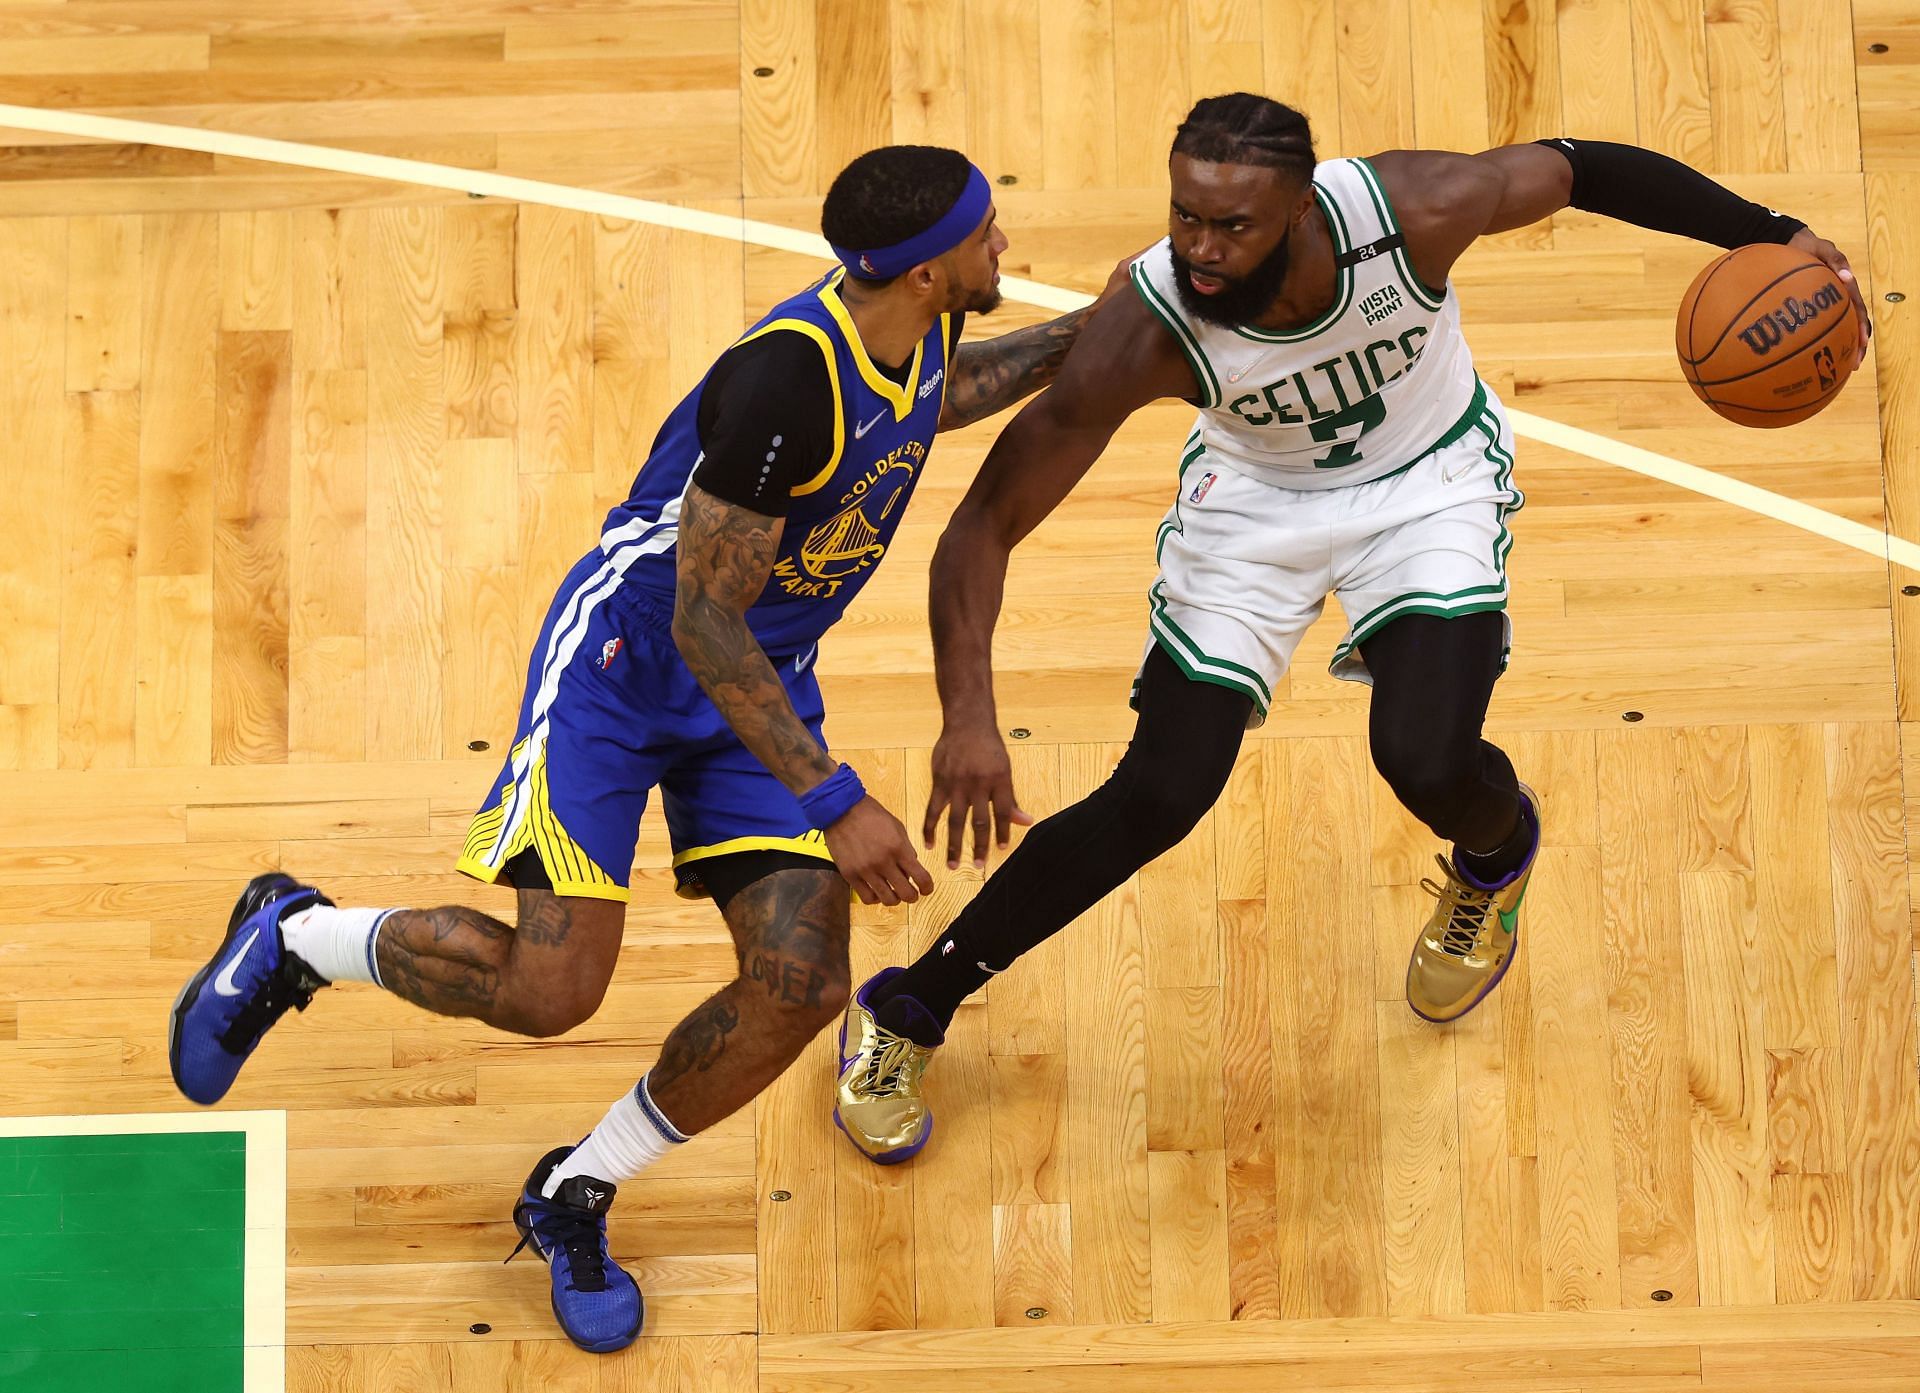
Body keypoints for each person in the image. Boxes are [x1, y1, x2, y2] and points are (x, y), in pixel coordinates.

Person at [168, 144, 1120, 1353]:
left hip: (751, 682)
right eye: (990, 231)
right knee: (553, 991)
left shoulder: (915, 331)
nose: (1005, 244)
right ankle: (295, 935)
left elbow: (944, 394)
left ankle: (577, 1185)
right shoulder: (788, 384)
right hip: (626, 670)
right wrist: (837, 800)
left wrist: (1102, 328)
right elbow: (702, 617)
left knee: (801, 988)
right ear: (931, 271)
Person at [832, 93, 1871, 1165]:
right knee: (1160, 794)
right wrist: (969, 714)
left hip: (1428, 486)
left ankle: (1496, 849)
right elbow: (983, 525)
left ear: (1302, 213)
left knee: (1422, 757)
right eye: (1186, 213)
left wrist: (1770, 233)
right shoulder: (1149, 327)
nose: (1197, 245)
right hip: (1255, 509)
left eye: (1230, 225)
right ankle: (910, 1006)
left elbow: (1578, 164)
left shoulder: (1415, 211)